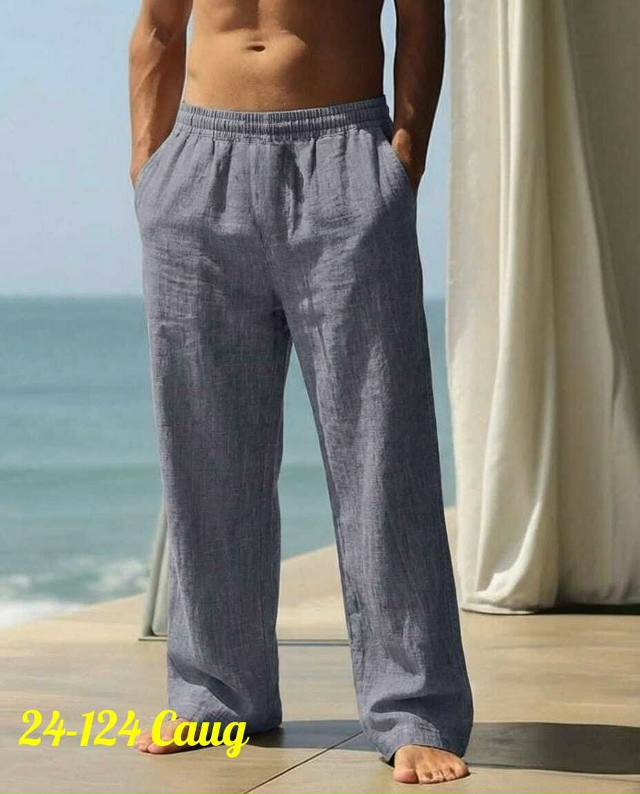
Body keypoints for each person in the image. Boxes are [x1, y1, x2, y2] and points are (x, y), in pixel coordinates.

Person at [128, 0, 473, 785]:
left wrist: (402, 160)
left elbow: (422, 19)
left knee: (382, 453)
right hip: (198, 168)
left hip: (344, 155)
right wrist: (150, 169)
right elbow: (156, 29)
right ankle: (217, 697)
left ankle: (413, 711)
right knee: (206, 457)